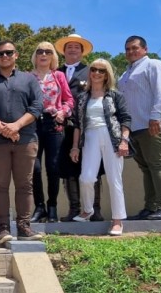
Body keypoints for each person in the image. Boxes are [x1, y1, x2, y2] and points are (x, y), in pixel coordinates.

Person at [0, 41, 44, 246]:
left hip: (25, 140)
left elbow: (37, 106)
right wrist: (4, 129)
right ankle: (3, 229)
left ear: (16, 55)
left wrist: (16, 126)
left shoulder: (29, 80)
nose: (4, 56)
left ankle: (24, 226)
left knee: (25, 185)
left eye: (8, 53)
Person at [70, 59, 131, 236]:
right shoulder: (82, 97)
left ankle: (118, 220)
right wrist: (75, 147)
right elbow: (77, 124)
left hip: (112, 136)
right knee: (87, 177)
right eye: (94, 69)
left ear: (107, 74)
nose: (96, 73)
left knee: (114, 179)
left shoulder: (115, 95)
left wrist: (124, 140)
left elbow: (125, 119)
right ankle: (88, 210)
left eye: (101, 71)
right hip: (90, 136)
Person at [119, 36, 161, 220]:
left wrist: (156, 116)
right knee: (146, 168)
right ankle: (150, 207)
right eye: (127, 49)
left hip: (152, 125)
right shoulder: (125, 74)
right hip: (134, 128)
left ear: (145, 49)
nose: (131, 52)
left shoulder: (154, 65)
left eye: (135, 48)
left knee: (157, 165)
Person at [55, 34, 103, 222]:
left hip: (87, 126)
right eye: (69, 47)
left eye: (77, 47)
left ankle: (95, 209)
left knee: (94, 168)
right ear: (64, 51)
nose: (73, 49)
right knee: (67, 169)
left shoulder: (91, 71)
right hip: (63, 128)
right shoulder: (55, 72)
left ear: (82, 51)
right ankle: (74, 209)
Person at [29, 42, 74, 223]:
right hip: (33, 125)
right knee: (35, 167)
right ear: (35, 55)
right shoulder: (27, 76)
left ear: (53, 56)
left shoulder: (59, 76)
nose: (44, 54)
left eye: (48, 51)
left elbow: (69, 100)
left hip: (54, 124)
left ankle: (52, 206)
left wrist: (63, 112)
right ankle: (40, 207)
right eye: (40, 51)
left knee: (53, 167)